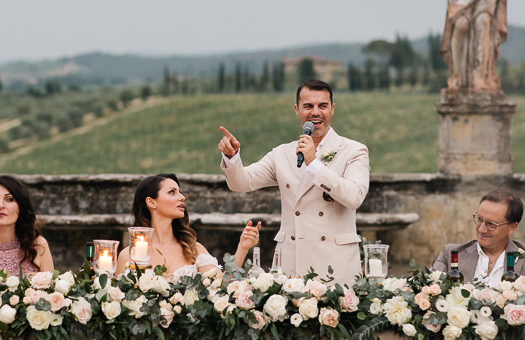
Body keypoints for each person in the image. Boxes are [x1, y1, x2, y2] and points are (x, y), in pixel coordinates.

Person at [218, 79, 370, 283]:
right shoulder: (282, 154)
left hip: (336, 268)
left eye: (322, 106)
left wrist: (314, 164)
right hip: (291, 266)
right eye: (308, 106)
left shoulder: (353, 151)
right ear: (297, 110)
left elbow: (354, 197)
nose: (315, 112)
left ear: (332, 109)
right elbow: (242, 183)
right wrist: (232, 157)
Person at [114, 173, 261, 278]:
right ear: (151, 202)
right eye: (172, 192)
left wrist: (242, 247)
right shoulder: (128, 255)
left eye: (180, 192)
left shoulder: (193, 249)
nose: (182, 197)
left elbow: (223, 286)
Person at [432, 189, 525, 287]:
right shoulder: (451, 255)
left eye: (491, 224)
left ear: (512, 228)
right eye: (479, 219)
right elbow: (430, 293)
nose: (481, 229)